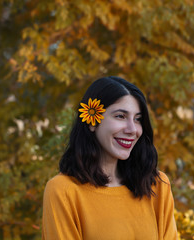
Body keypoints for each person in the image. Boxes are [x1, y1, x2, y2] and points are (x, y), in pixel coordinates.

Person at [42, 76, 178, 239]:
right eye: (120, 116)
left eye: (138, 119)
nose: (132, 129)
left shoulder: (156, 186)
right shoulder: (63, 191)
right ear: (92, 121)